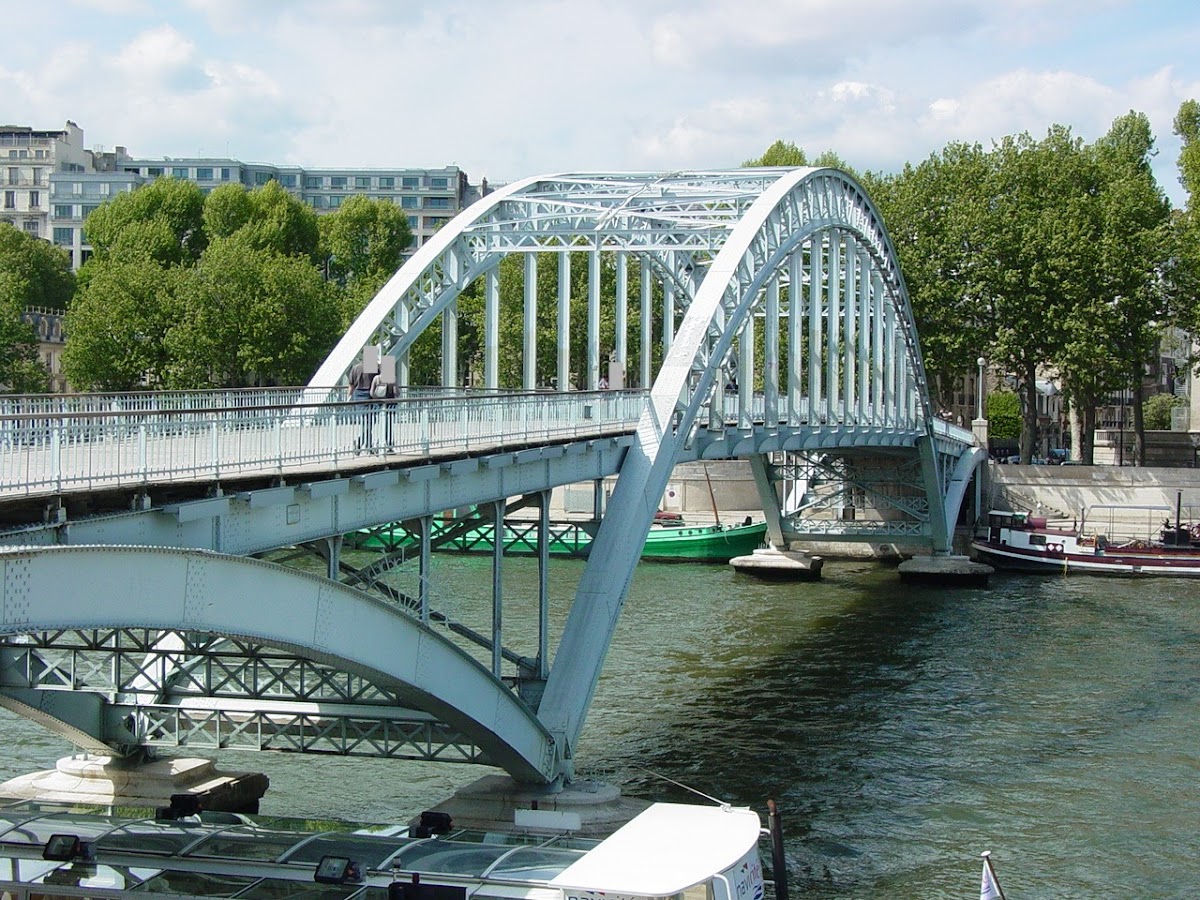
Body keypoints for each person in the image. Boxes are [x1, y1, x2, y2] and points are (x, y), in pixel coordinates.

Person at [348, 359, 376, 451]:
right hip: (370, 395)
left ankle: (362, 443)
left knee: (365, 421)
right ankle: (367, 445)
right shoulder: (373, 368)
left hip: (358, 395)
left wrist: (349, 397)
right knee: (370, 421)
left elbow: (351, 385)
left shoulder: (355, 368)